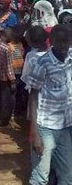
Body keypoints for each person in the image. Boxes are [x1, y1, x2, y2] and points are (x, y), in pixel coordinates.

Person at [26, 25, 72, 185]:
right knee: (41, 177)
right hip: (45, 127)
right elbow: (33, 96)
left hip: (66, 127)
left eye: (67, 42)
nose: (64, 46)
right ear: (51, 42)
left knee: (66, 176)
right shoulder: (43, 62)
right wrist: (35, 133)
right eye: (60, 43)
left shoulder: (71, 57)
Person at [21, 26, 48, 90]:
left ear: (31, 42)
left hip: (35, 91)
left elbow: (25, 75)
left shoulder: (31, 56)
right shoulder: (54, 52)